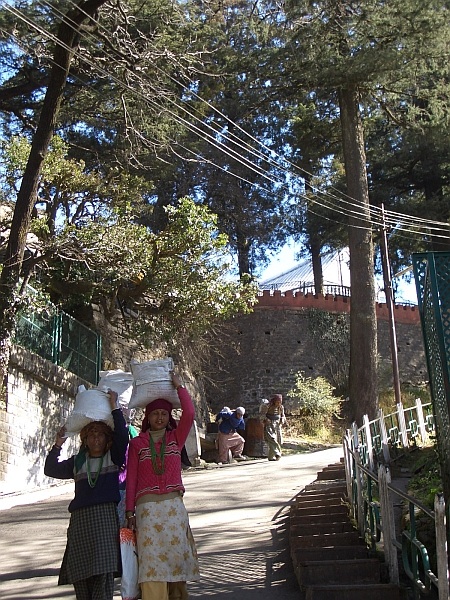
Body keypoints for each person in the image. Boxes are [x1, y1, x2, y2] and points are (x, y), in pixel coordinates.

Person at [44, 390, 129, 600]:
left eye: (100, 433)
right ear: (85, 438)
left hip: (104, 521)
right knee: (81, 578)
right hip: (81, 522)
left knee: (103, 575)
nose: (96, 438)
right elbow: (50, 469)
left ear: (107, 438)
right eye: (91, 434)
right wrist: (57, 445)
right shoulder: (77, 462)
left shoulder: (113, 457)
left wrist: (114, 407)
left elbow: (123, 437)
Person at [125, 372, 200, 600]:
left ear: (169, 417)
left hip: (173, 509)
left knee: (176, 557)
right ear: (148, 417)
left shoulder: (175, 439)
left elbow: (189, 412)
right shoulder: (137, 444)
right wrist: (130, 511)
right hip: (147, 511)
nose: (159, 418)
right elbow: (132, 479)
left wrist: (180, 387)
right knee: (151, 561)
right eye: (155, 414)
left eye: (164, 414)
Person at [263, 393, 287, 461]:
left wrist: (282, 419)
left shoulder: (281, 407)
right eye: (277, 402)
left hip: (277, 424)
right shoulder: (268, 406)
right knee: (272, 438)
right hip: (269, 424)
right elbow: (261, 415)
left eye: (280, 402)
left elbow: (283, 415)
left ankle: (271, 457)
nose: (278, 403)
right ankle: (277, 453)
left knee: (278, 440)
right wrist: (266, 419)